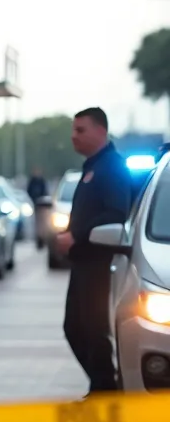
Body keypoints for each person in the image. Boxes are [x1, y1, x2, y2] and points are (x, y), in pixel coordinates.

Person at [56, 107, 131, 395]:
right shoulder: (93, 166)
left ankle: (105, 392)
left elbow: (116, 212)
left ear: (101, 130)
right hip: (84, 261)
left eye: (80, 130)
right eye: (73, 130)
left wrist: (78, 236)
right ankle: (103, 387)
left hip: (100, 263)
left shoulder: (112, 167)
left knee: (91, 330)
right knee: (76, 328)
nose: (74, 136)